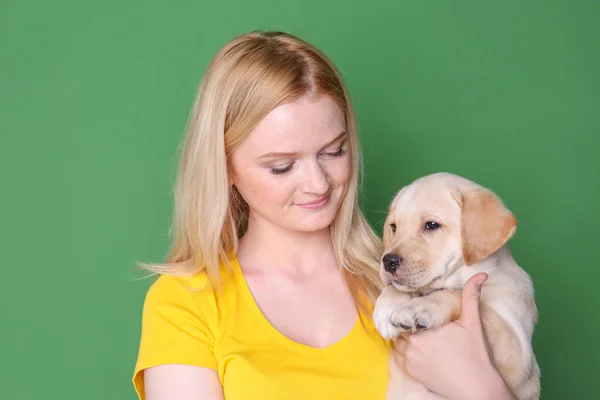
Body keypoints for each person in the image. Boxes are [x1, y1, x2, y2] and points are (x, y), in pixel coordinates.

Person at [132, 30, 516, 400]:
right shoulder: (187, 303)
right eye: (282, 166)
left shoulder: (412, 280)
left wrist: (487, 393)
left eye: (334, 152)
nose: (318, 183)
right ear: (226, 168)